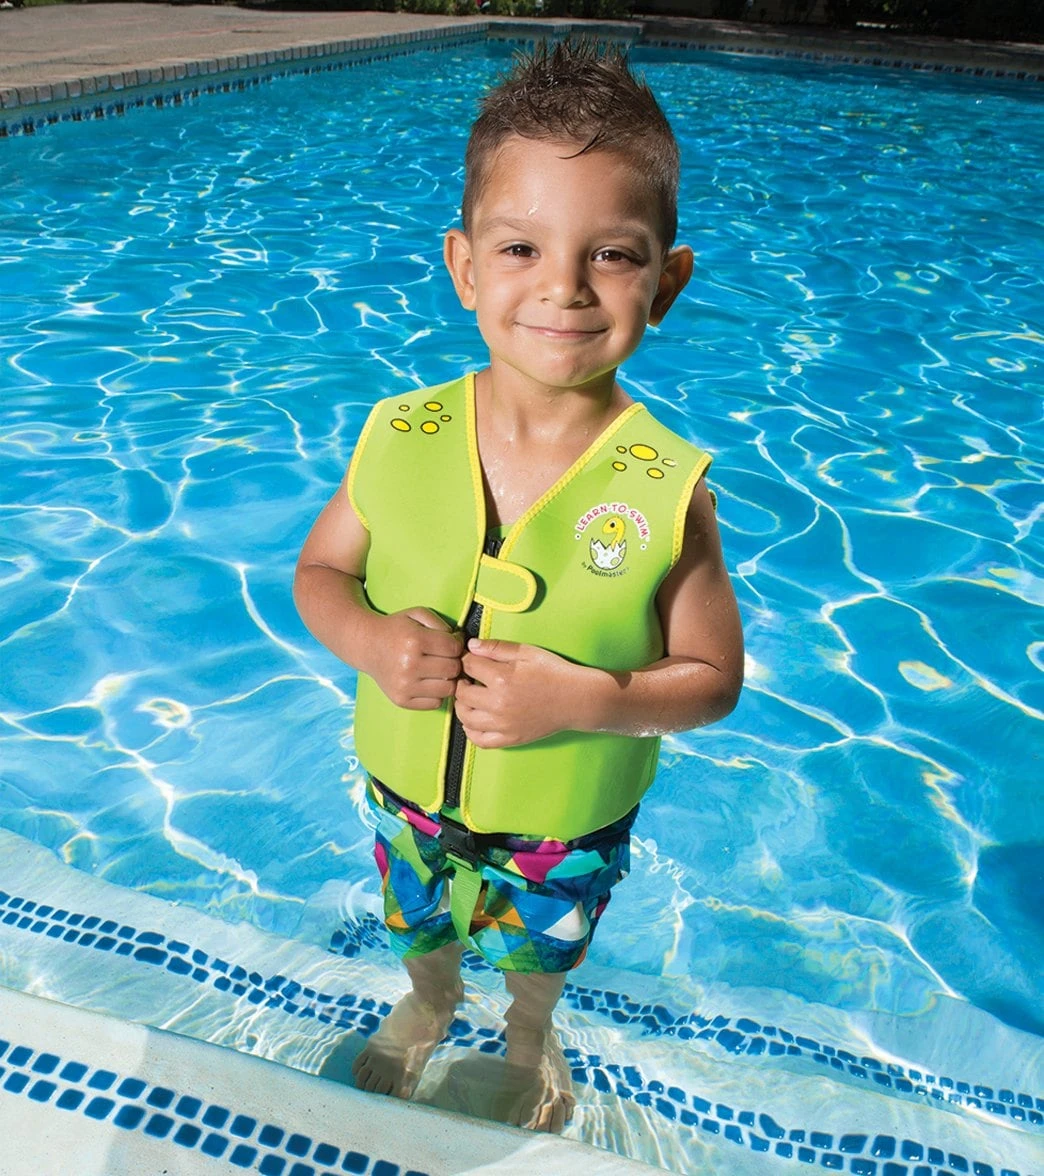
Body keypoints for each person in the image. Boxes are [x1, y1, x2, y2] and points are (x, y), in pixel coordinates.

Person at [293, 41, 743, 1135]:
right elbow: (318, 575)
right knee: (417, 923)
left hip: (558, 829)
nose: (563, 286)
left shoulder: (666, 489)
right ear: (464, 268)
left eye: (612, 254)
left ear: (666, 283)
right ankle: (430, 1000)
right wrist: (370, 641)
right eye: (521, 247)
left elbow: (713, 678)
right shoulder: (399, 437)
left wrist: (587, 698)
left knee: (540, 956)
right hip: (409, 799)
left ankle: (530, 1035)